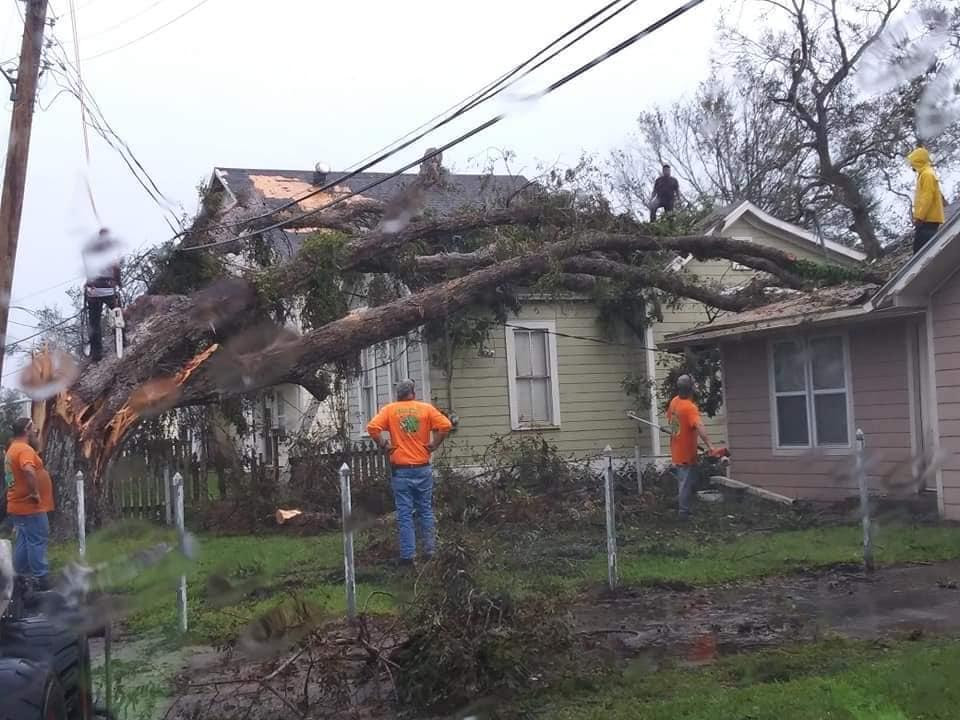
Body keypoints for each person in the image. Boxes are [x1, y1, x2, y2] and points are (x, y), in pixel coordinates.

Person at [367, 379, 452, 565]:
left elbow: (372, 428)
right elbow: (445, 425)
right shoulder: (425, 409)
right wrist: (434, 444)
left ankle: (408, 556)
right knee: (425, 510)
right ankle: (430, 551)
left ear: (398, 394)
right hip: (422, 468)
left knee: (404, 513)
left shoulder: (390, 410)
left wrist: (385, 444)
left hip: (401, 470)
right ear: (413, 393)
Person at [4, 417, 54, 587]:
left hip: (17, 505)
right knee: (37, 540)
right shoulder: (24, 449)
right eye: (33, 428)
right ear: (26, 430)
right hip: (30, 506)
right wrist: (34, 492)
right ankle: (41, 578)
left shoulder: (12, 449)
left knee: (24, 541)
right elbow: (28, 470)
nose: (35, 431)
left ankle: (19, 577)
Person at [666, 375, 714, 519]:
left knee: (685, 482)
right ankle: (684, 513)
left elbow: (674, 425)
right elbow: (699, 426)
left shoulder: (674, 402)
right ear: (690, 389)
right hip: (686, 453)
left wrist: (682, 436)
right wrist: (710, 446)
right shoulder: (689, 407)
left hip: (677, 449)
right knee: (686, 484)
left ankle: (681, 505)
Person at [82, 228, 122, 362]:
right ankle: (122, 342)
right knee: (117, 315)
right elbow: (116, 268)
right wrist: (119, 283)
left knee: (94, 322)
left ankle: (96, 352)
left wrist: (88, 284)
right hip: (108, 289)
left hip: (93, 291)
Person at [907, 146, 945, 254]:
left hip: (929, 219)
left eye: (913, 163)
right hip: (927, 219)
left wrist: (919, 217)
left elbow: (926, 198)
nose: (911, 166)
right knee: (924, 250)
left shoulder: (927, 175)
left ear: (918, 162)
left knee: (922, 252)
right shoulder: (924, 173)